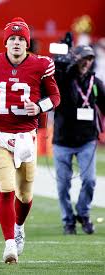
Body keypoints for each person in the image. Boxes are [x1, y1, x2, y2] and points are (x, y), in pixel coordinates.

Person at [0, 17, 60, 264]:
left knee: (25, 194)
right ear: (6, 42)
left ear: (27, 43)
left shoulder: (41, 64)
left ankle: (19, 227)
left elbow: (55, 95)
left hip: (26, 137)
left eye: (20, 39)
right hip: (0, 135)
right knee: (6, 189)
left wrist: (39, 106)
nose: (16, 43)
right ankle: (9, 244)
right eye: (12, 38)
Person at [52, 44, 105, 235]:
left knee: (90, 180)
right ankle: (68, 221)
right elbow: (55, 90)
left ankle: (83, 214)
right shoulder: (64, 80)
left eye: (90, 58)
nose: (87, 62)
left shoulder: (95, 83)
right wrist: (62, 65)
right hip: (62, 140)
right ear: (75, 59)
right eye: (83, 58)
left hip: (87, 140)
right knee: (63, 184)